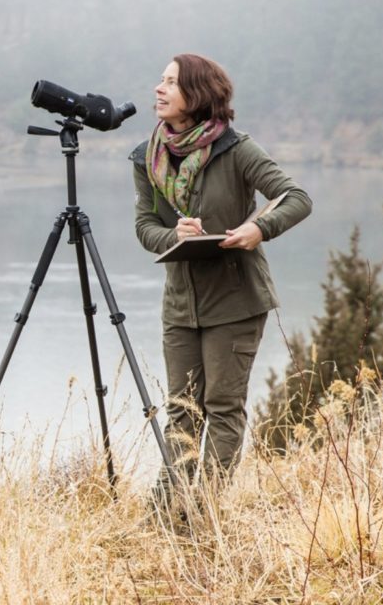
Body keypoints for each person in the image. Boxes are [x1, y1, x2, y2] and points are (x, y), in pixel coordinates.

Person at [129, 53, 312, 501]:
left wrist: (258, 228)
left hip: (236, 300)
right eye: (161, 80)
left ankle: (206, 513)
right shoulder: (147, 158)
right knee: (182, 412)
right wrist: (173, 231)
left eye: (171, 82)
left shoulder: (236, 148)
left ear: (198, 93)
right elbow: (144, 227)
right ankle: (169, 513)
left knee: (222, 409)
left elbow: (296, 196)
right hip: (180, 304)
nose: (159, 89)